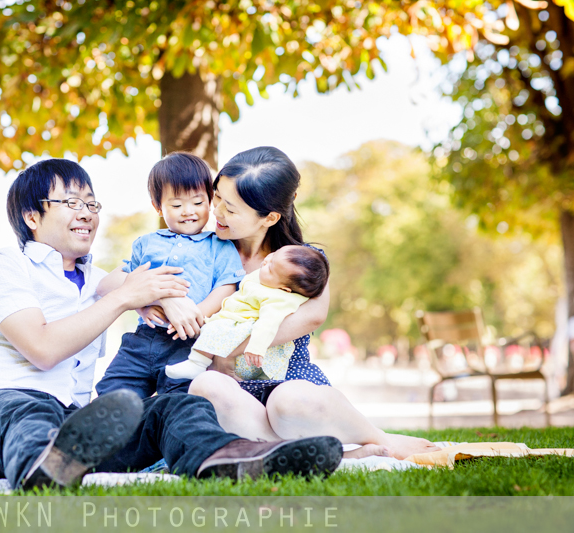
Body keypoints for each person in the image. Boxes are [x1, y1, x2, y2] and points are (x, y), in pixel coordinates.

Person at [0, 157, 344, 490]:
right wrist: (131, 297)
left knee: (176, 407)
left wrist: (165, 296)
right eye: (71, 202)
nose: (87, 212)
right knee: (27, 412)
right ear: (31, 215)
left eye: (92, 203)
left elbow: (145, 285)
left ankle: (235, 458)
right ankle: (44, 472)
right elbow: (42, 349)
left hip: (75, 425)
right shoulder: (3, 265)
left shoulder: (97, 278)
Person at [177, 147, 440, 460]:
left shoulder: (304, 263)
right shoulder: (202, 254)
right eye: (216, 196)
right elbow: (145, 285)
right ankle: (324, 455)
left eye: (230, 209)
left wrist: (224, 345)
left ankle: (379, 438)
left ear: (270, 217)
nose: (216, 211)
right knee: (207, 385)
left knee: (288, 401)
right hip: (231, 388)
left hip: (290, 379)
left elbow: (312, 316)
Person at [95, 152, 246, 398]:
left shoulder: (219, 245)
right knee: (115, 390)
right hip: (144, 337)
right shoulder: (146, 243)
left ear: (210, 201)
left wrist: (195, 317)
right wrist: (142, 305)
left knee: (181, 397)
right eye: (176, 205)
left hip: (188, 341)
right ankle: (106, 431)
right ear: (158, 207)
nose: (188, 211)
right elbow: (121, 283)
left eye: (198, 203)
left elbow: (227, 286)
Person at [165, 244, 329, 381]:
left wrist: (255, 348)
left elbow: (267, 324)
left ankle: (196, 364)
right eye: (273, 255)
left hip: (251, 349)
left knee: (217, 329)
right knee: (212, 327)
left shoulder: (278, 299)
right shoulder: (267, 279)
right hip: (239, 338)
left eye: (271, 268)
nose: (266, 261)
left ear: (284, 288)